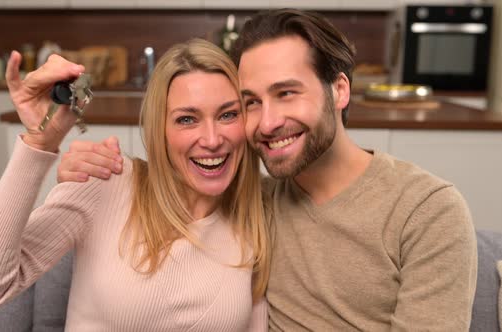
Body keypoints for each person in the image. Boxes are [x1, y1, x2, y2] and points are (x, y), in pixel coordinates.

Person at [58, 9, 478, 331]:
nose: (269, 121)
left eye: (287, 93)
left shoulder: (426, 211)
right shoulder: (252, 201)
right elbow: (175, 186)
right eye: (251, 102)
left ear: (340, 90)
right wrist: (96, 169)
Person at [0, 38, 271, 331]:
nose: (213, 140)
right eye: (187, 119)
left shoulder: (256, 215)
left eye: (228, 115)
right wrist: (40, 142)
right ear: (158, 130)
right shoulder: (106, 182)